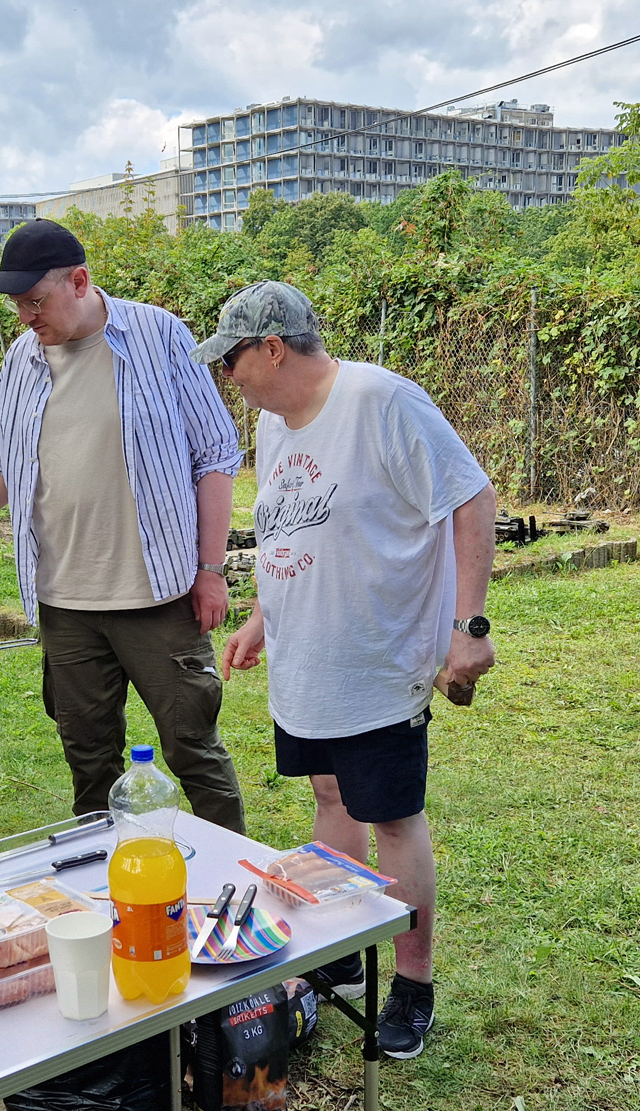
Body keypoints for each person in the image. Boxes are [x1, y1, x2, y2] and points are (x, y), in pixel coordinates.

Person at [207, 281, 497, 1059]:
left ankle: (413, 982)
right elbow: (288, 527)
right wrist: (265, 617)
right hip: (306, 662)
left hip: (377, 659)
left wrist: (469, 628)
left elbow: (471, 499)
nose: (226, 374)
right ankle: (343, 954)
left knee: (392, 818)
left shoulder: (381, 400)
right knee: (329, 795)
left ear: (272, 347)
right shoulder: (273, 425)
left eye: (231, 357)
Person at [0, 219, 246, 833]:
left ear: (79, 281)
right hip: (65, 603)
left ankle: (229, 895)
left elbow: (216, 455)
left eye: (35, 300)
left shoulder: (160, 335)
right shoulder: (21, 359)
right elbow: (4, 463)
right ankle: (108, 894)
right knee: (90, 763)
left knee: (193, 753)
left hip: (160, 593)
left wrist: (210, 571)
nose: (25, 316)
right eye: (17, 304)